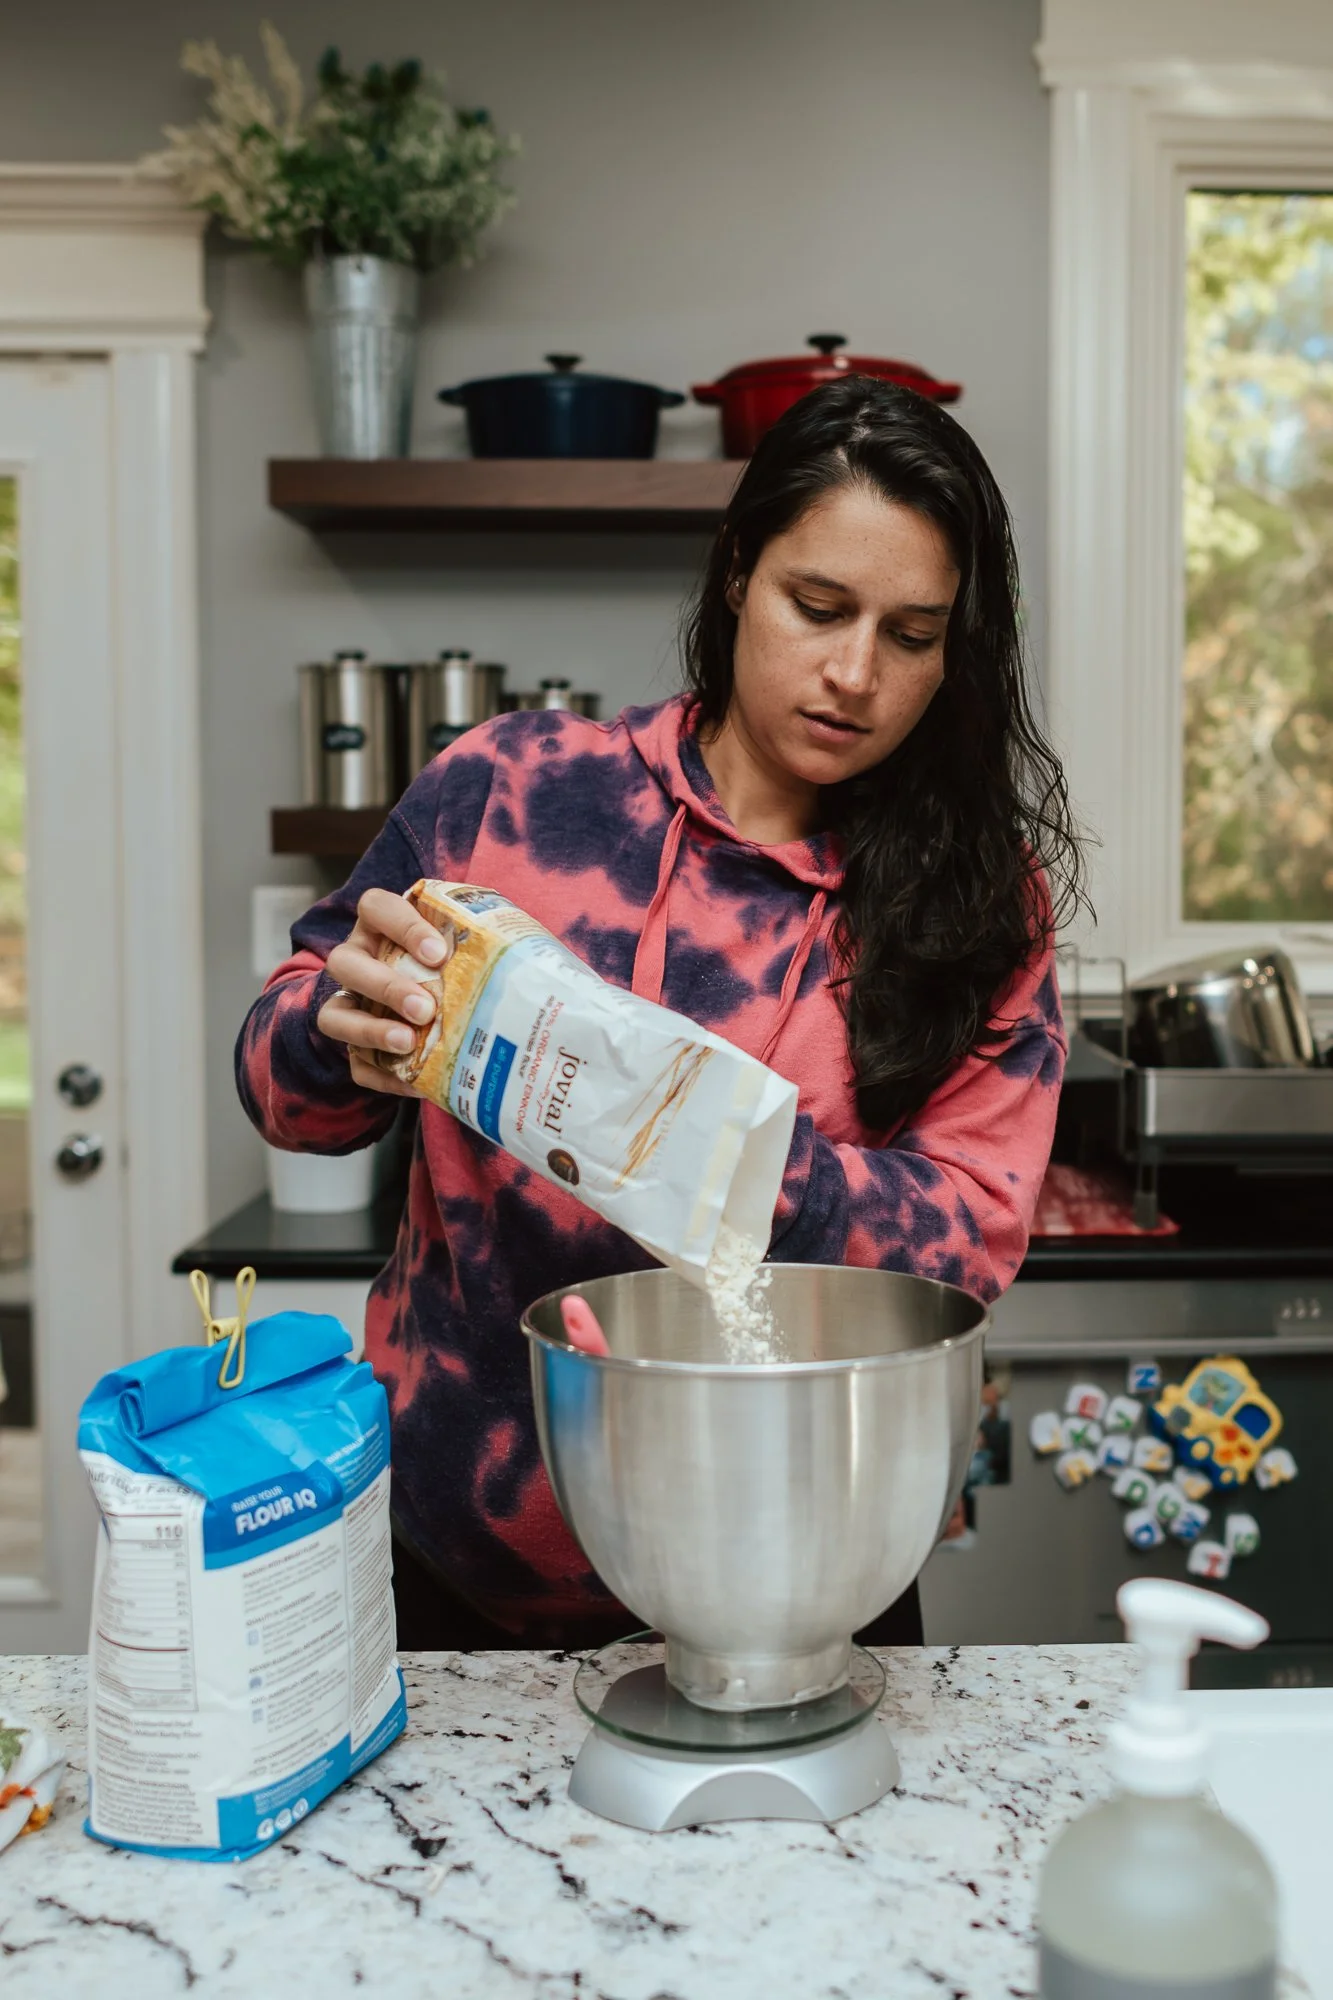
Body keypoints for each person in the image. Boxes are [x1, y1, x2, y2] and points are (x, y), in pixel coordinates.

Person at [237, 378, 1083, 1650]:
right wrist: (333, 1033)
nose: (854, 673)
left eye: (912, 634)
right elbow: (282, 1094)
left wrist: (703, 1142)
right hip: (452, 1572)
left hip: (803, 1580)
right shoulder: (514, 791)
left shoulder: (978, 899)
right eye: (818, 606)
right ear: (739, 570)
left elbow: (967, 1244)